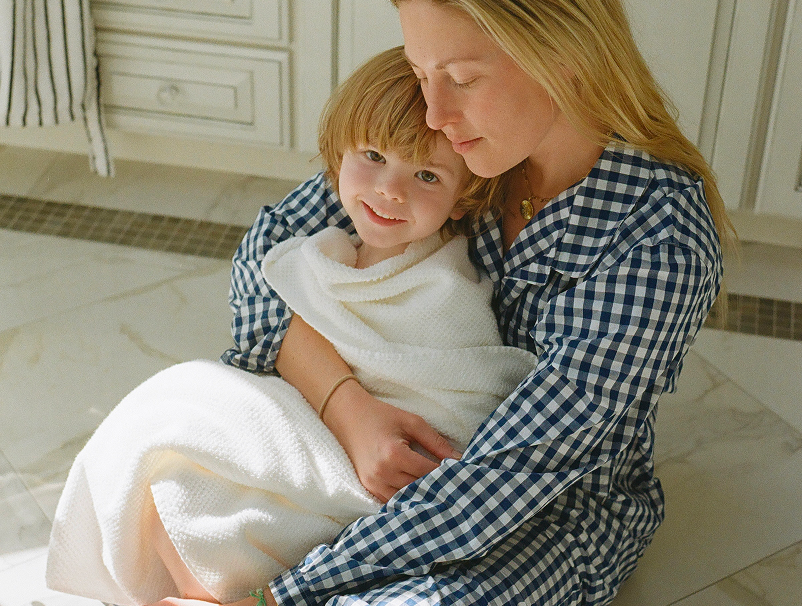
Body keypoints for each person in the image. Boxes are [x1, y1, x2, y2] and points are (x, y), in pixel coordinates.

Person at [197, 0, 733, 605]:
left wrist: (282, 596)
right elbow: (264, 262)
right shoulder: (463, 145)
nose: (433, 114)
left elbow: (500, 483)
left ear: (564, 54)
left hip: (542, 514)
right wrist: (348, 408)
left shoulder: (657, 240)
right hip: (375, 448)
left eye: (460, 78)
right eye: (421, 73)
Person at [45, 46, 536, 606]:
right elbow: (266, 341)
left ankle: (208, 595)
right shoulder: (324, 252)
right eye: (373, 156)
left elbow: (457, 397)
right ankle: (202, 592)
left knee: (189, 446)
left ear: (460, 200)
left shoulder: (447, 286)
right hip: (315, 429)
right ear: (338, 157)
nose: (390, 189)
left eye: (426, 175)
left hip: (376, 476)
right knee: (168, 450)